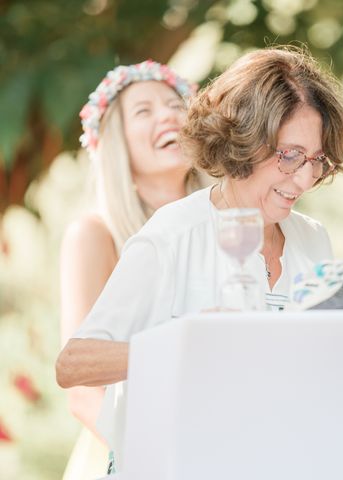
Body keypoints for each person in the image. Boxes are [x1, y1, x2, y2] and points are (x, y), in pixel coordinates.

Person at [56, 46, 343, 472]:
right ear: (245, 140)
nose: (305, 179)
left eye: (316, 160)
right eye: (289, 155)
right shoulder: (172, 235)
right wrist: (182, 344)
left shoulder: (313, 240)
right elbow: (72, 366)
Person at [59, 60, 209, 478]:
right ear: (116, 142)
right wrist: (155, 456)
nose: (168, 115)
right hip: (129, 454)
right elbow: (82, 391)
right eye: (144, 111)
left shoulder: (225, 228)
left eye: (175, 105)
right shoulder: (93, 234)